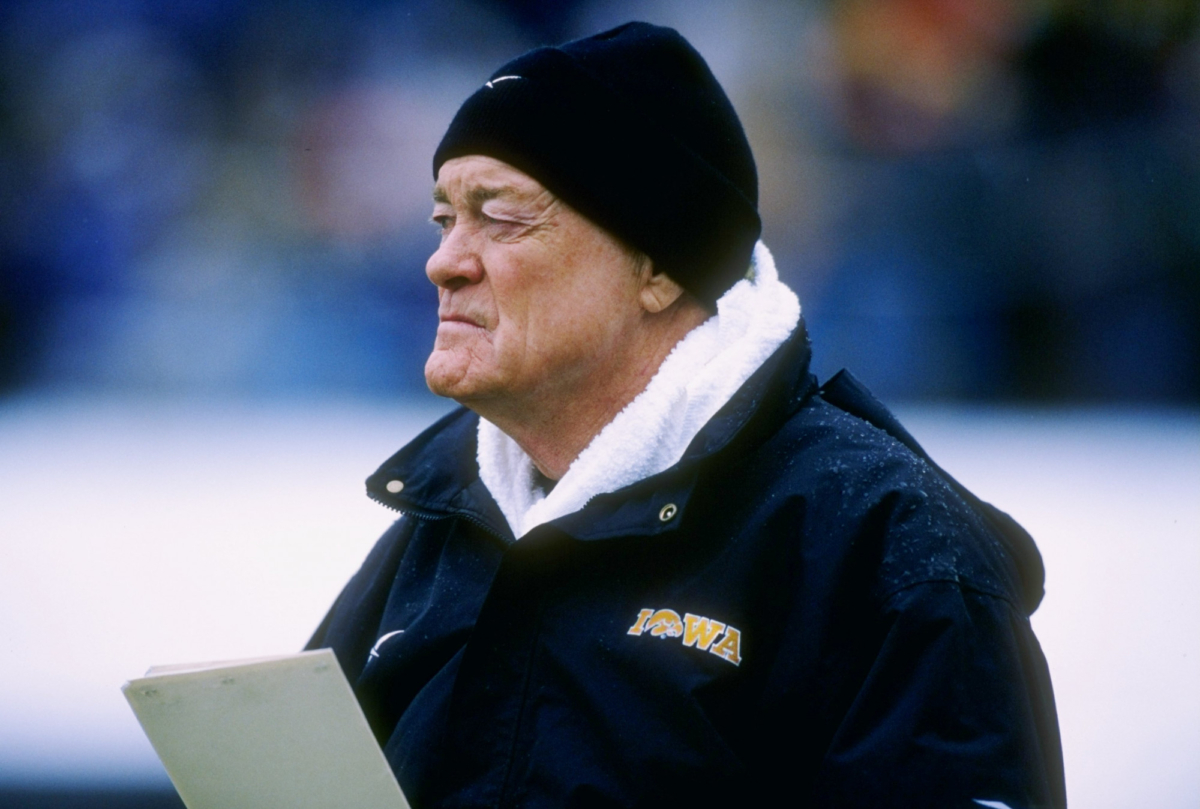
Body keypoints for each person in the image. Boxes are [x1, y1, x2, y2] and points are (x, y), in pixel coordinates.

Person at [308, 21, 1065, 809]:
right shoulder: (441, 523)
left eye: (498, 217)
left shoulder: (884, 545)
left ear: (660, 268)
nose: (443, 260)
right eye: (443, 219)